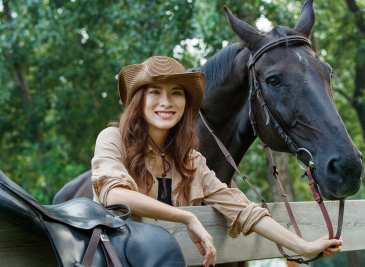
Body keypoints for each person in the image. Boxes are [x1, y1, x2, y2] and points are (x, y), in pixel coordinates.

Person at [91, 56, 342, 266]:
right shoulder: (113, 139)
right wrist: (186, 217)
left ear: (185, 104)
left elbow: (243, 209)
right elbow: (115, 196)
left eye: (176, 93)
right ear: (140, 100)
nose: (166, 102)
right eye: (155, 92)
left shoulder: (191, 161)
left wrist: (304, 246)